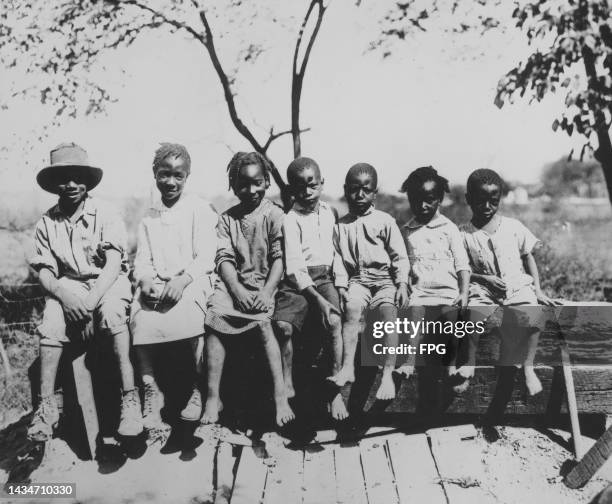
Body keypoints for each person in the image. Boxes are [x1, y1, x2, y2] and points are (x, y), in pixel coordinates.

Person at [28, 143, 143, 441]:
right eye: (63, 179)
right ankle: (46, 407)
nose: (71, 185)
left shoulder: (105, 212)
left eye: (78, 177)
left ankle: (129, 399)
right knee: (51, 320)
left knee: (114, 312)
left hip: (106, 282)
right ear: (54, 184)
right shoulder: (46, 223)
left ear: (87, 181)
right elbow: (45, 271)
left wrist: (90, 303)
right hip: (69, 285)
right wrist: (66, 298)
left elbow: (114, 262)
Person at [202, 152, 295, 427]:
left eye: (257, 183)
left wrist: (265, 293)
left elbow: (279, 258)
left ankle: (280, 397)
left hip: (265, 285)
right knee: (214, 321)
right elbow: (224, 259)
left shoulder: (275, 215)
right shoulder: (227, 219)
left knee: (264, 325)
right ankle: (211, 396)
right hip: (233, 288)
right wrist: (238, 291)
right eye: (243, 184)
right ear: (233, 186)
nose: (251, 190)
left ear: (267, 181)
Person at [130, 143, 217, 431]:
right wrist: (145, 280)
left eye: (178, 176)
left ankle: (195, 389)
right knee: (140, 315)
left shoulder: (198, 209)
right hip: (159, 282)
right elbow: (142, 260)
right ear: (155, 174)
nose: (170, 182)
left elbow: (206, 256)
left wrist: (182, 280)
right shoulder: (148, 216)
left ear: (187, 176)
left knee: (191, 314)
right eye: (164, 174)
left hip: (191, 278)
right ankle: (150, 390)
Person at [456, 168, 559, 395]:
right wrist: (484, 279)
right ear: (468, 199)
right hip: (482, 289)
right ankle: (469, 364)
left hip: (516, 286)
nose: (487, 207)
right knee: (472, 315)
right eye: (480, 201)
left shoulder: (513, 227)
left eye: (493, 201)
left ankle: (528, 366)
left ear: (500, 199)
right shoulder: (463, 233)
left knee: (534, 314)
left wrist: (538, 290)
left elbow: (527, 256)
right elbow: (461, 269)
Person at [272, 157, 347, 420]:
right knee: (283, 327)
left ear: (322, 183)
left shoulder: (330, 212)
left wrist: (341, 284)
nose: (307, 192)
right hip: (297, 283)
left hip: (324, 277)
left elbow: (337, 252)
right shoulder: (290, 219)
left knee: (335, 321)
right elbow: (294, 266)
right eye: (300, 187)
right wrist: (317, 299)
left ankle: (335, 389)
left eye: (312, 185)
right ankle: (287, 383)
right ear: (291, 190)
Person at [328, 163, 410, 400]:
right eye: (354, 189)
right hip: (358, 281)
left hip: (384, 280)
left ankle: (387, 375)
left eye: (366, 189)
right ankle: (348, 368)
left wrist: (402, 284)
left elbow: (399, 257)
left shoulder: (385, 221)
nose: (360, 195)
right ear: (346, 190)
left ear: (375, 191)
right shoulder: (341, 226)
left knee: (388, 315)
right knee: (352, 308)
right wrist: (342, 286)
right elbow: (339, 261)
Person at [394, 166, 470, 379]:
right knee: (414, 315)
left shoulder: (449, 229)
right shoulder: (407, 231)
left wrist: (463, 293)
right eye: (416, 200)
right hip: (420, 292)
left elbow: (462, 264)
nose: (422, 205)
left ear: (439, 199)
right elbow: (403, 265)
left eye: (428, 200)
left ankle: (451, 365)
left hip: (447, 292)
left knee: (452, 318)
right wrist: (403, 286)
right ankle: (408, 363)